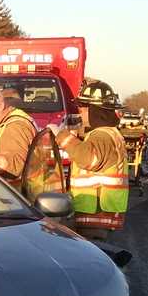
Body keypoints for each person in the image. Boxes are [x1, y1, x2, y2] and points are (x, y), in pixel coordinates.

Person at [52, 79, 129, 239]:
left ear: (95, 110)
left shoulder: (102, 136)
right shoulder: (107, 133)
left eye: (84, 107)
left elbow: (89, 159)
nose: (80, 111)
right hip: (97, 215)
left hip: (96, 215)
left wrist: (62, 136)